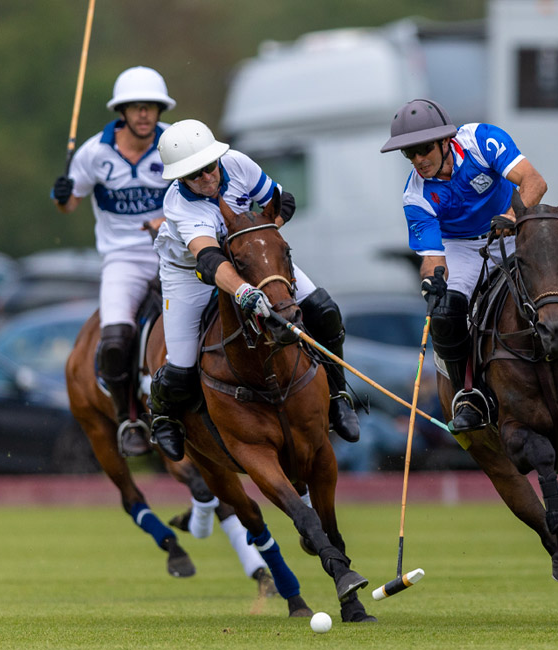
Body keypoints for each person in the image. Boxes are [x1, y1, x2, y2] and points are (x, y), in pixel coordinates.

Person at [380, 99, 558, 432]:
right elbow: (433, 258)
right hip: (461, 248)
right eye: (408, 153)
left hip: (516, 228)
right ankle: (469, 396)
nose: (417, 160)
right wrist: (433, 281)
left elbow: (534, 182)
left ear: (446, 140)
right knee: (445, 314)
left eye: (423, 149)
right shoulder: (415, 195)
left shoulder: (480, 140)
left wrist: (512, 218)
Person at [148, 118, 360, 461]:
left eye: (209, 168)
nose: (206, 178)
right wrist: (245, 293)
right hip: (189, 274)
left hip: (251, 260)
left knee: (324, 310)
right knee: (180, 368)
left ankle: (337, 397)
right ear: (180, 178)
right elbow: (210, 261)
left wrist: (261, 240)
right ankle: (162, 417)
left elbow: (283, 203)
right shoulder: (179, 205)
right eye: (194, 174)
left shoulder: (238, 164)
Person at [51, 66, 177, 457]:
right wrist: (61, 194)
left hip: (174, 251)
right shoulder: (94, 153)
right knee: (114, 339)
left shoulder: (174, 144)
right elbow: (69, 206)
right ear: (122, 111)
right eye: (136, 108)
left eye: (151, 108)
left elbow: (199, 193)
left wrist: (168, 219)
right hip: (123, 259)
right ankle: (129, 420)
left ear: (160, 110)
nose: (144, 115)